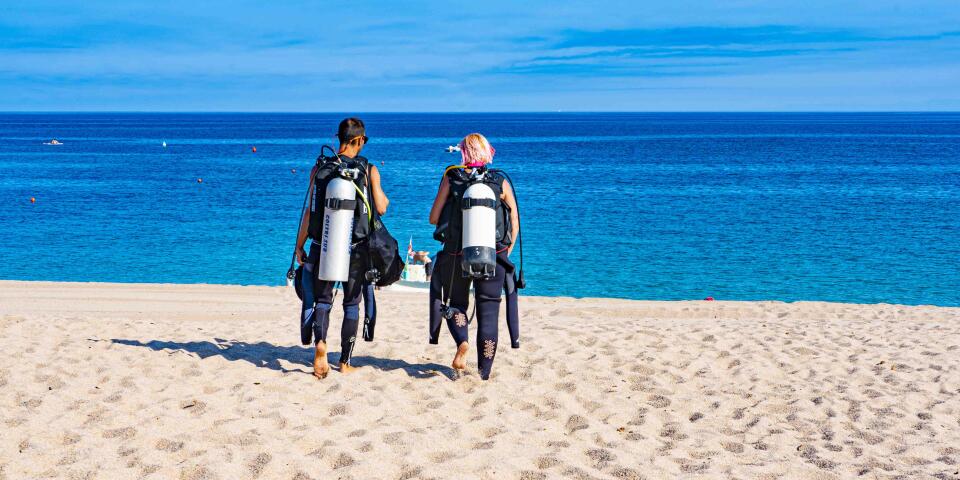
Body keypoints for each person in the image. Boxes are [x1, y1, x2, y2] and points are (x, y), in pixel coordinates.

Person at [295, 118, 389, 379]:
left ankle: (320, 344)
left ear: (339, 138)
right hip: (356, 249)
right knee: (351, 304)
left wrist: (299, 246)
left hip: (322, 244)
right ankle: (345, 362)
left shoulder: (319, 168)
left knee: (323, 300)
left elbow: (310, 212)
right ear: (358, 140)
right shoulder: (368, 169)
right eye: (364, 140)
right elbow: (381, 207)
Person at [429, 133, 519, 380]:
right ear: (488, 152)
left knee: (456, 304)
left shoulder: (452, 177)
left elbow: (434, 218)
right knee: (488, 314)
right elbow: (514, 219)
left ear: (463, 153)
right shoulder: (499, 181)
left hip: (457, 254)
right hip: (494, 254)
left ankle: (462, 342)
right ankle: (483, 374)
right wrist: (505, 252)